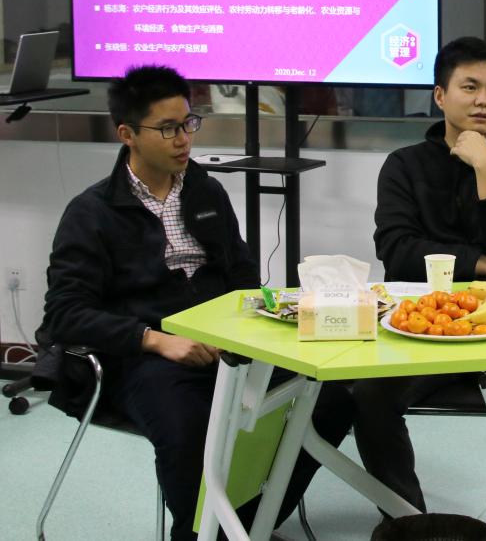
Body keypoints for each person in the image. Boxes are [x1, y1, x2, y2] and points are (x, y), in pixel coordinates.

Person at [37, 66, 355, 541]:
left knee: (329, 400)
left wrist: (259, 323)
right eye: (167, 128)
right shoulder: (92, 213)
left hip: (224, 345)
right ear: (127, 134)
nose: (183, 138)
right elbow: (64, 313)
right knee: (190, 426)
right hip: (146, 357)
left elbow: (242, 276)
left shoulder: (205, 190)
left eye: (188, 123)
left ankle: (247, 526)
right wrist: (155, 340)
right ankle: (201, 533)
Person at [354, 37, 486, 514]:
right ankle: (408, 522)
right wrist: (485, 265)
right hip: (424, 330)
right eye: (470, 87)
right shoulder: (404, 166)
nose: (484, 100)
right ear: (440, 96)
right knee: (365, 397)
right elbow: (398, 252)